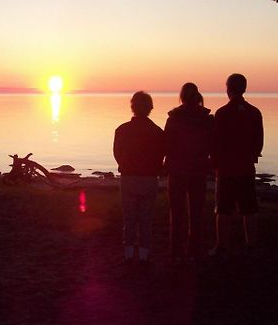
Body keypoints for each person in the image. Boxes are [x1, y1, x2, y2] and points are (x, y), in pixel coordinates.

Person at [211, 73, 264, 257]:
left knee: (223, 209)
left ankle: (221, 246)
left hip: (226, 170)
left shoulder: (222, 113)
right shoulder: (254, 112)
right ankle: (251, 245)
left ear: (228, 89)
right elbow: (259, 142)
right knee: (249, 209)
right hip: (246, 168)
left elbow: (215, 142)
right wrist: (251, 156)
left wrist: (214, 164)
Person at [164, 83, 214, 265]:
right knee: (196, 213)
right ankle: (194, 250)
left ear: (182, 97)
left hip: (177, 170)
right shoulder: (207, 119)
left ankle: (176, 251)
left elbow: (166, 144)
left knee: (177, 213)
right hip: (198, 170)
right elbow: (212, 145)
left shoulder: (174, 118)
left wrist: (164, 165)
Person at [113, 91, 165, 263]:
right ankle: (143, 254)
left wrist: (126, 165)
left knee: (129, 218)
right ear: (150, 108)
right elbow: (161, 156)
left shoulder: (122, 130)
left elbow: (117, 153)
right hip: (149, 179)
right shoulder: (157, 131)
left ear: (132, 107)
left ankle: (128, 252)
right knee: (145, 219)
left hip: (129, 178)